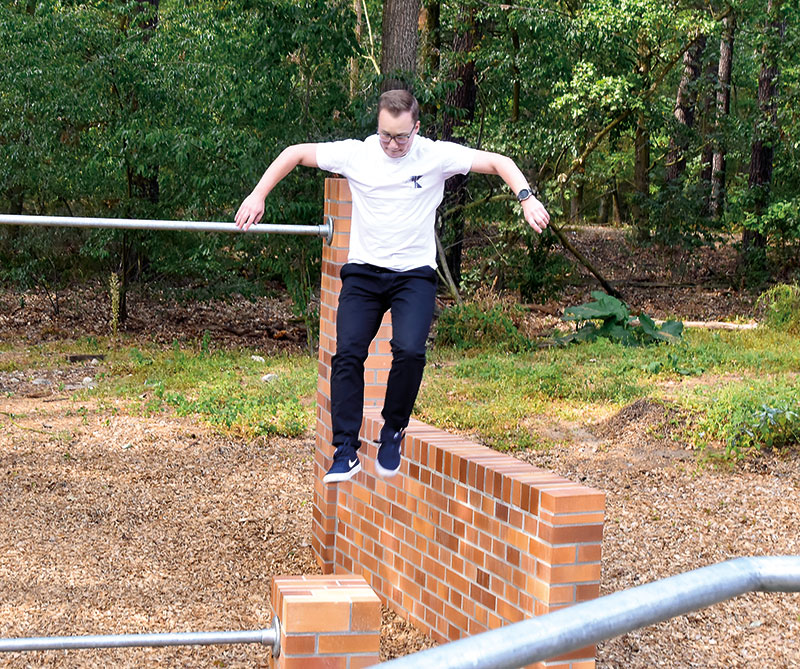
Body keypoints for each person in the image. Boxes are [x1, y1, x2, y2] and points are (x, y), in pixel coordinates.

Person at [235, 89, 549, 484]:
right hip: (364, 274)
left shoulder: (435, 155)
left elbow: (499, 161)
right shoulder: (358, 153)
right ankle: (345, 450)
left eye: (401, 137)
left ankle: (392, 430)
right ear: (378, 127)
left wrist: (526, 198)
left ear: (416, 129)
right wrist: (258, 194)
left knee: (410, 351)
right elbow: (294, 152)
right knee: (347, 354)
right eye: (385, 135)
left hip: (413, 275)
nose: (392, 145)